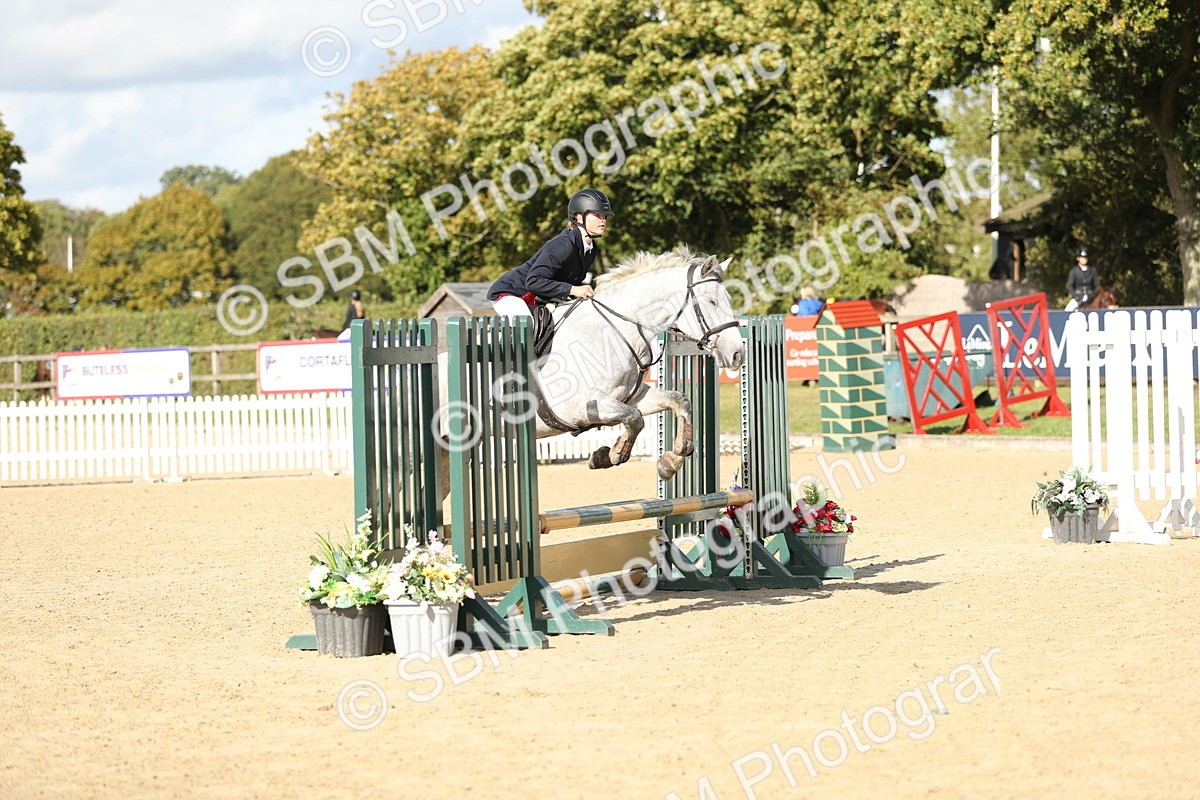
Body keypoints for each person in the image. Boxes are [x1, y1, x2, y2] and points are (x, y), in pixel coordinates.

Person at [487, 188, 611, 320]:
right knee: (528, 326)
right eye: (597, 215)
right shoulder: (563, 245)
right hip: (513, 294)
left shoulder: (591, 249)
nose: (602, 220)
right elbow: (534, 281)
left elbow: (567, 280)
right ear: (579, 217)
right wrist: (574, 290)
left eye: (604, 216)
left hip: (538, 297)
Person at [1065, 247, 1099, 311]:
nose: (1084, 259)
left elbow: (1097, 285)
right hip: (1078, 297)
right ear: (1078, 258)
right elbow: (1070, 286)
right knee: (1067, 311)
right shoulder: (1074, 271)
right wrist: (1077, 296)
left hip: (1091, 297)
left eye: (1086, 257)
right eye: (1082, 257)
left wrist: (1091, 295)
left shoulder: (1092, 270)